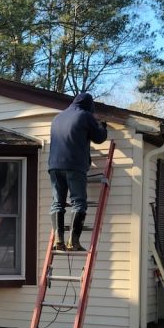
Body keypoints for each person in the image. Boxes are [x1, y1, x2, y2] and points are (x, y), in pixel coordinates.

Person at [48, 92, 107, 251]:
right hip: (74, 166)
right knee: (79, 202)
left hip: (54, 166)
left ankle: (58, 240)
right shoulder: (85, 115)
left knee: (57, 203)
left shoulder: (57, 118)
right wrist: (103, 126)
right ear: (89, 106)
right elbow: (99, 138)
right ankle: (73, 242)